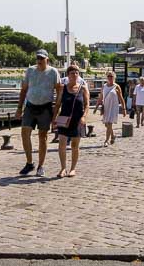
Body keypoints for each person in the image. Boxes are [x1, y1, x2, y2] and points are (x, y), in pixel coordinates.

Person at [15, 49, 61, 177]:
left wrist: (56, 110)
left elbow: (59, 89)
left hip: (45, 107)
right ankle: (29, 163)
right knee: (24, 132)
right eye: (38, 58)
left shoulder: (53, 72)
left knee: (43, 136)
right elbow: (24, 89)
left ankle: (41, 165)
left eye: (42, 58)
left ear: (47, 59)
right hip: (30, 106)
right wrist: (19, 107)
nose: (39, 60)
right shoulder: (30, 71)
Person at [51, 66, 89, 178]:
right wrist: (54, 118)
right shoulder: (63, 88)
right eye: (72, 73)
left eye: (77, 73)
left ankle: (73, 168)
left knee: (74, 145)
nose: (75, 75)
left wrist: (84, 117)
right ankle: (63, 168)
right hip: (64, 119)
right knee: (62, 144)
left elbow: (86, 105)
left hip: (77, 120)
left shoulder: (83, 88)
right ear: (68, 75)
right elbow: (58, 104)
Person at [96, 71, 125, 146]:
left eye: (111, 76)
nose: (110, 78)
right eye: (108, 76)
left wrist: (124, 109)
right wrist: (96, 107)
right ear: (106, 77)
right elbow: (101, 97)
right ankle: (112, 135)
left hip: (113, 108)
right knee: (107, 125)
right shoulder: (104, 86)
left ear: (114, 77)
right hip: (106, 107)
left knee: (109, 124)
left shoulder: (116, 86)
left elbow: (121, 98)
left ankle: (106, 140)